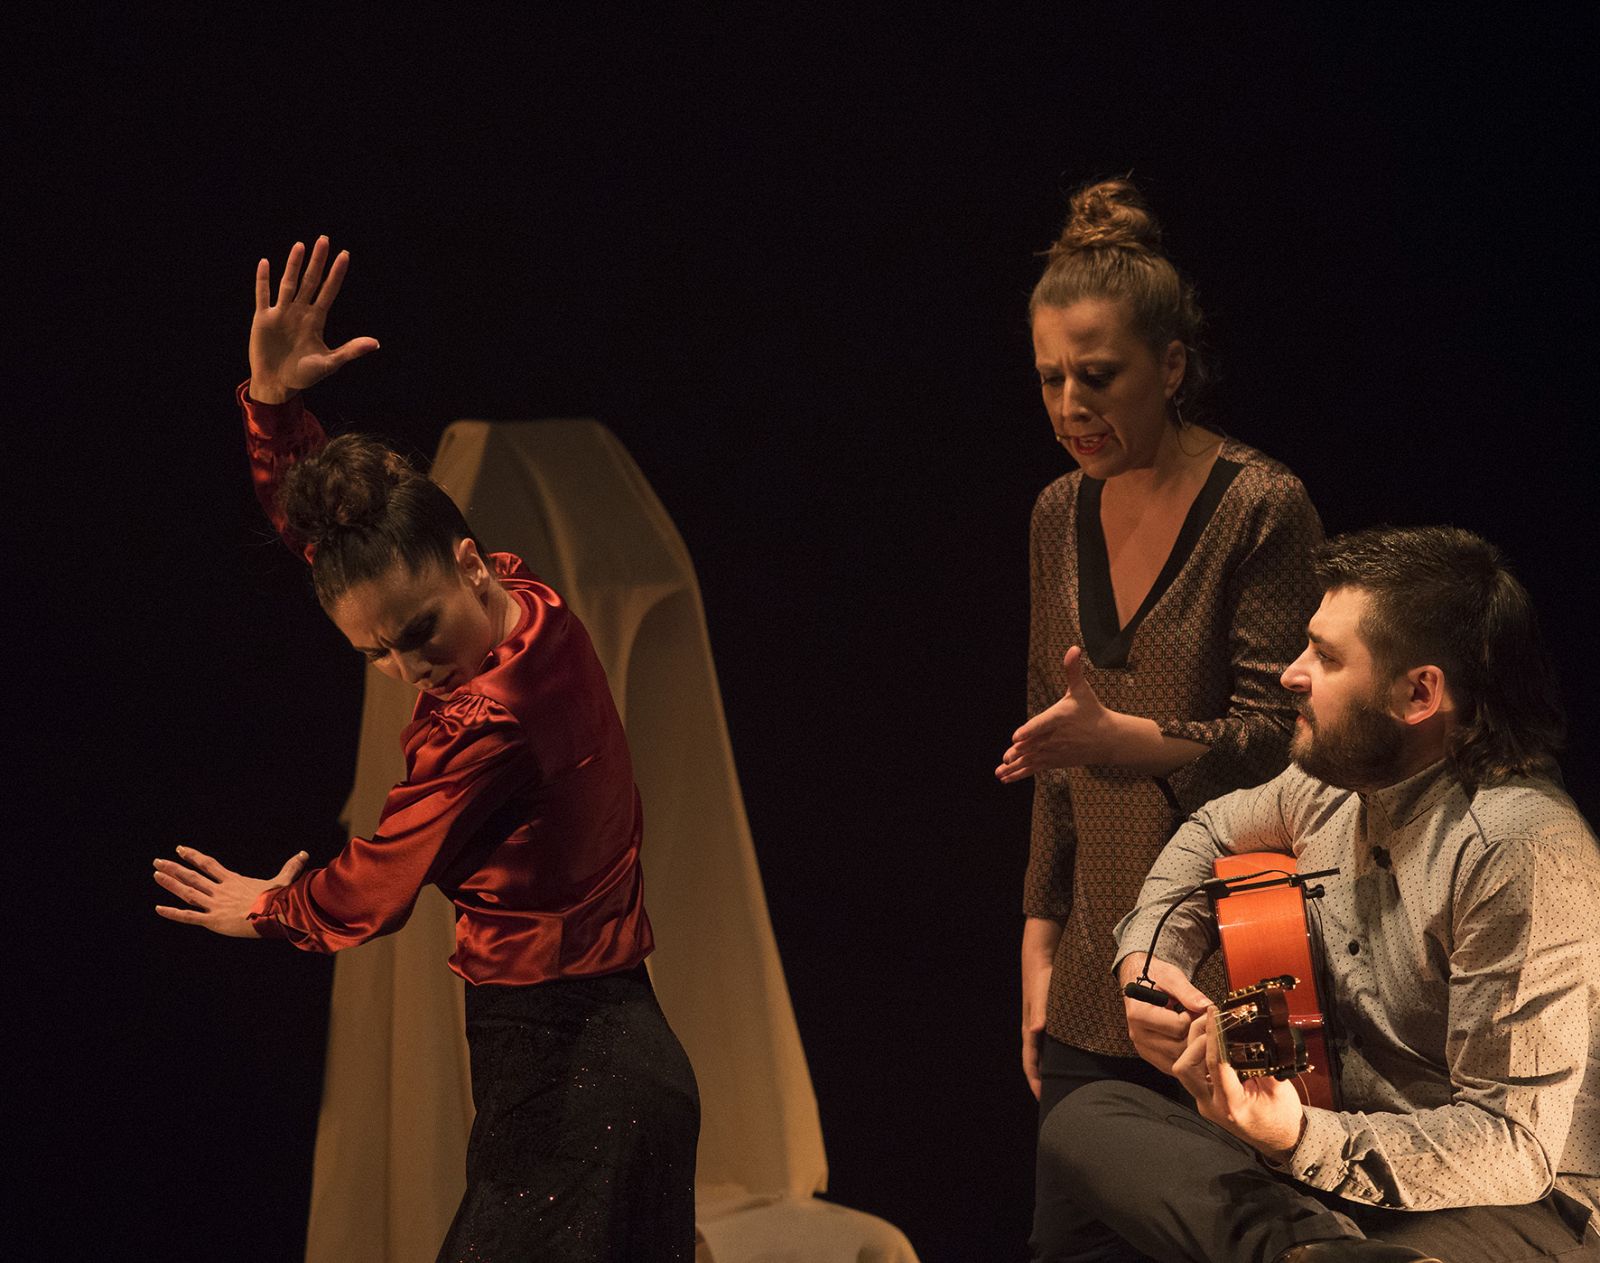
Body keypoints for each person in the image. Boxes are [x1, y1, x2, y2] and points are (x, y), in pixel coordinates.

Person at [152, 237, 699, 1262]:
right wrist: (273, 404)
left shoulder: (488, 717)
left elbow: (376, 886)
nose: (411, 669)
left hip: (577, 1079)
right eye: (376, 653)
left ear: (469, 564)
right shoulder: (518, 600)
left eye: (417, 636)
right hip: (595, 1061)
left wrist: (269, 905)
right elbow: (349, 542)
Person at [1038, 525, 1600, 1262]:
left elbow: (1514, 1142)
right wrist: (1151, 960)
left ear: (1419, 692)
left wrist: (1297, 1135)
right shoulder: (1332, 785)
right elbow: (1209, 831)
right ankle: (1312, 1250)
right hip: (1330, 1165)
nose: (1290, 675)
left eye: (1326, 657)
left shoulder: (1518, 849)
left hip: (1513, 1200)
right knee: (1086, 1117)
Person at [995, 179, 1323, 1253]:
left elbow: (1287, 744)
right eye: (1050, 379)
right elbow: (1053, 748)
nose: (1070, 406)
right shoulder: (1057, 512)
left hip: (1229, 973)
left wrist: (1126, 743)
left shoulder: (1259, 505)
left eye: (1098, 376)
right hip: (1094, 981)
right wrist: (1038, 946)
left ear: (1171, 366)